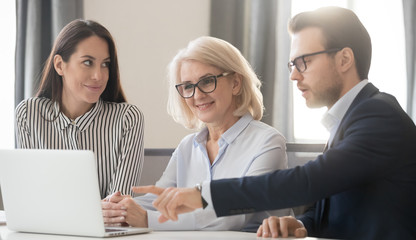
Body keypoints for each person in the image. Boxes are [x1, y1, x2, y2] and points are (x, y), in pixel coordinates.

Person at [134, 7, 416, 239]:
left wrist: (201, 195)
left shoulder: (379, 116)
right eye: (292, 64)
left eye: (303, 61)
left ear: (344, 59)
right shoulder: (348, 120)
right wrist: (302, 225)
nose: (294, 76)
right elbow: (325, 211)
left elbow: (308, 181)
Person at [101, 36, 292, 231]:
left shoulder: (268, 142)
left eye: (207, 81)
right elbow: (160, 199)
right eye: (188, 86)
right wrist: (118, 208)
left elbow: (234, 215)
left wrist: (146, 219)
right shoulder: (187, 146)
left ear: (235, 83)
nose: (197, 95)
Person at [15, 19, 144, 199]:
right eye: (88, 62)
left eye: (105, 64)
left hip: (108, 228)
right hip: (46, 228)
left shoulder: (127, 119)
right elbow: (33, 196)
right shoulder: (28, 114)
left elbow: (118, 206)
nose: (98, 76)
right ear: (60, 65)